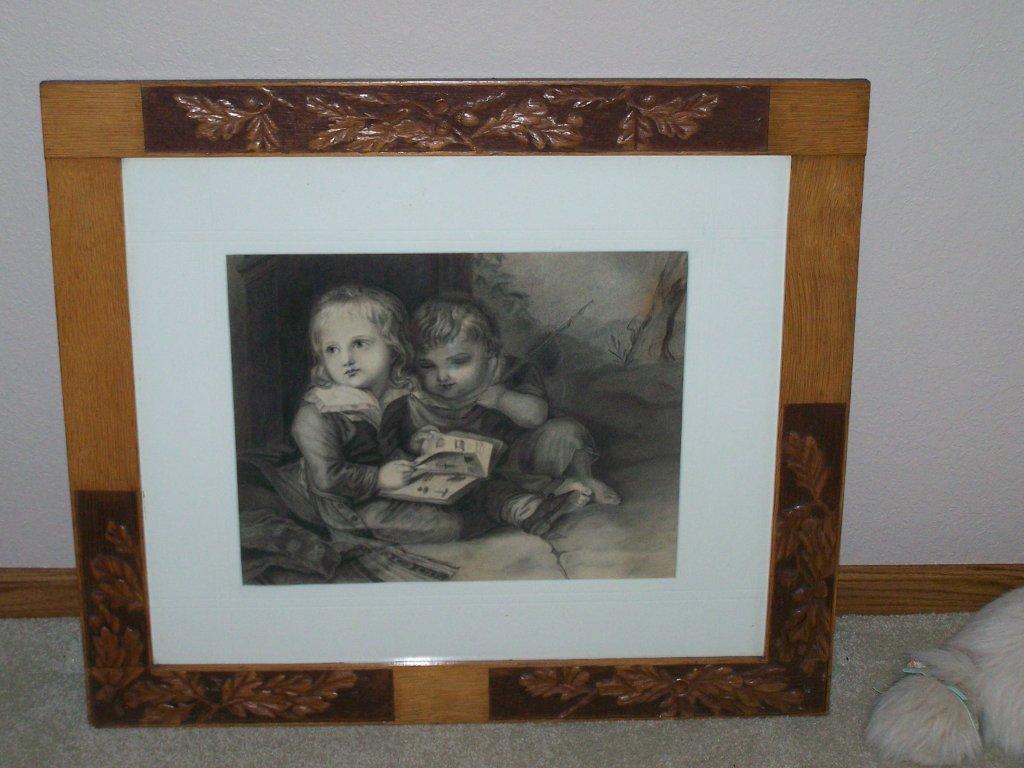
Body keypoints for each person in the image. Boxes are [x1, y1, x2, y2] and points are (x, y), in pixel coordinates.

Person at [407, 296, 621, 516]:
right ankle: (555, 492)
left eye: (458, 361)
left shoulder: (512, 371)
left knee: (565, 431)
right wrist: (421, 441)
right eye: (428, 366)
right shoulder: (420, 393)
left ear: (489, 352)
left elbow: (536, 416)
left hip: (524, 456)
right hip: (481, 473)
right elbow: (411, 436)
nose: (442, 376)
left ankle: (583, 478)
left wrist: (501, 398)